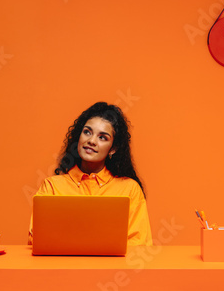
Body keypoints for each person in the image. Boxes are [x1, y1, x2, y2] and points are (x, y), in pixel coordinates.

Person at [28, 102, 152, 246]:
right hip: (63, 268)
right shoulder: (52, 187)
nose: (91, 141)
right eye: (87, 132)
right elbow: (37, 239)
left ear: (113, 149)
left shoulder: (129, 189)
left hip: (114, 268)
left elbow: (139, 243)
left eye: (103, 137)